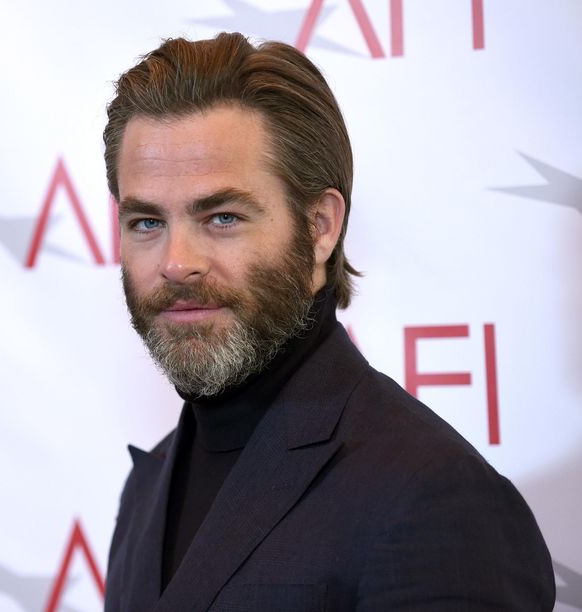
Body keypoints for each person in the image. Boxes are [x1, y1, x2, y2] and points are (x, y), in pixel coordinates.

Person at [101, 32, 555, 611]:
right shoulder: (147, 488)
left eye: (221, 217)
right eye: (146, 222)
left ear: (320, 226)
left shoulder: (433, 497)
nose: (176, 263)